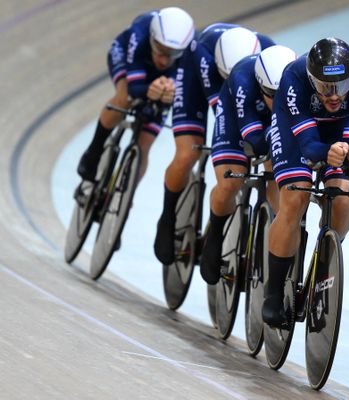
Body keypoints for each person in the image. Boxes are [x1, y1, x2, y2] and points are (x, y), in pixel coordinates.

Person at [261, 38, 349, 327]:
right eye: (326, 87)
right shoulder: (294, 78)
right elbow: (309, 145)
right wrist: (327, 153)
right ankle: (273, 292)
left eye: (341, 86)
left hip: (338, 131)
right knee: (294, 200)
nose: (335, 95)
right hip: (298, 133)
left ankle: (324, 264)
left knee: (343, 200)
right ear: (312, 79)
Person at [153, 23, 275, 265]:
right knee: (189, 153)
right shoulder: (204, 56)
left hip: (252, 89)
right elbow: (227, 115)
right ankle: (167, 218)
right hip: (199, 85)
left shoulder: (271, 55)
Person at [199, 45, 297, 284]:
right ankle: (214, 236)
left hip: (273, 127)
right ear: (259, 83)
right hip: (237, 118)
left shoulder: (299, 80)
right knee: (230, 181)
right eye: (270, 94)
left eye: (281, 94)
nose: (276, 101)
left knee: (280, 182)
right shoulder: (243, 80)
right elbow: (255, 140)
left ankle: (276, 236)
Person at [77, 7, 194, 183]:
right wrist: (149, 91)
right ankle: (94, 151)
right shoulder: (140, 31)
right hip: (127, 58)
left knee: (145, 144)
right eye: (161, 50)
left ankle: (125, 195)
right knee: (125, 99)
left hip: (163, 77)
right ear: (152, 38)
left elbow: (185, 89)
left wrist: (171, 92)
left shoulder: (190, 49)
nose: (164, 60)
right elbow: (135, 88)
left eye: (173, 53)